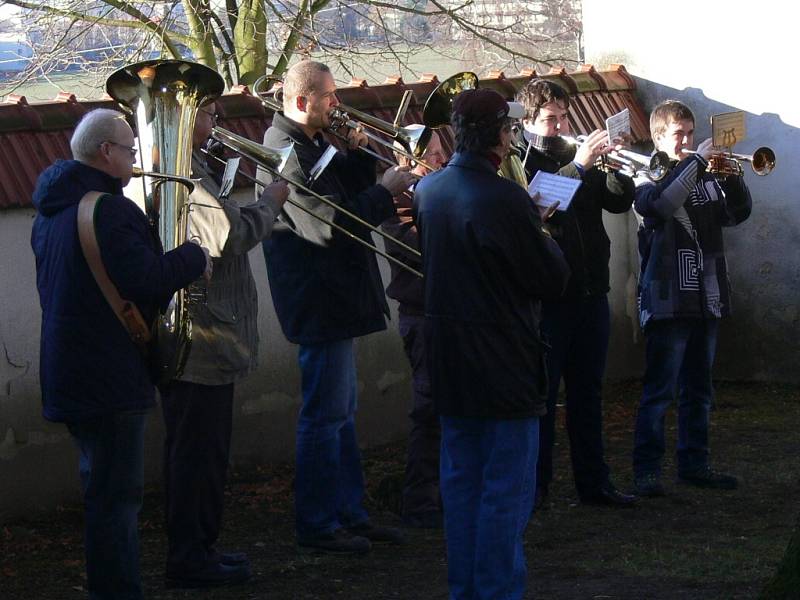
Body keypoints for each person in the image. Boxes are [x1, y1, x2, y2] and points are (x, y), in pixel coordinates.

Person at [30, 108, 210, 600]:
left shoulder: (51, 212)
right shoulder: (110, 210)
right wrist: (195, 255)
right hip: (110, 377)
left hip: (69, 373)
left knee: (101, 495)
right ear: (105, 153)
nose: (135, 158)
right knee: (117, 503)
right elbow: (148, 280)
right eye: (129, 149)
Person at [414, 88, 570, 600]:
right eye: (509, 130)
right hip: (505, 365)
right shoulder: (506, 198)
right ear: (500, 137)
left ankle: (465, 590)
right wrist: (539, 229)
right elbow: (552, 280)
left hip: (450, 365)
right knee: (505, 495)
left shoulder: (429, 191)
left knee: (460, 489)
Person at [259, 60, 416, 554]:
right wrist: (385, 192)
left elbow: (341, 192)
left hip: (336, 297)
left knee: (342, 413)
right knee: (324, 416)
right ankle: (319, 524)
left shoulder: (313, 141)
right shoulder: (284, 149)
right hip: (318, 299)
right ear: (302, 101)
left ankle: (349, 513)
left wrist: (360, 156)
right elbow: (326, 223)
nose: (337, 105)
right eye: (329, 97)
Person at [159, 102, 289, 587]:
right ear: (184, 119)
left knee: (202, 451)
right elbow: (230, 234)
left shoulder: (188, 170)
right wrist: (272, 198)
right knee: (198, 453)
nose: (218, 124)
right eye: (209, 113)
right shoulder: (182, 175)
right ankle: (191, 558)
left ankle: (200, 549)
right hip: (202, 337)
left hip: (207, 332)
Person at [514, 79, 638, 509]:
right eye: (551, 119)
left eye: (564, 116)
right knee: (544, 399)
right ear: (529, 122)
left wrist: (618, 168)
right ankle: (537, 488)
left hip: (591, 290)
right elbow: (537, 201)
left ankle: (594, 483)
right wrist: (581, 167)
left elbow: (619, 204)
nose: (560, 125)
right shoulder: (520, 158)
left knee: (588, 393)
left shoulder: (577, 154)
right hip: (551, 299)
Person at [632, 99, 752, 496]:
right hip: (667, 297)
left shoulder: (704, 175)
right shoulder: (645, 173)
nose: (685, 140)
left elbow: (737, 215)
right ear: (659, 137)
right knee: (659, 391)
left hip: (707, 293)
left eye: (689, 132)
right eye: (677, 134)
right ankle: (647, 470)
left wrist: (732, 174)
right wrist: (696, 163)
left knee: (699, 389)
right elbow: (661, 206)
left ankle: (694, 463)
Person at [380, 126, 448, 529]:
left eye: (441, 151)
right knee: (429, 410)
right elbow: (411, 245)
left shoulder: (443, 191)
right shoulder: (397, 201)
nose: (440, 160)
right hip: (421, 315)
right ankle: (419, 500)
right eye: (430, 154)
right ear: (406, 161)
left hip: (452, 312)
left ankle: (443, 492)